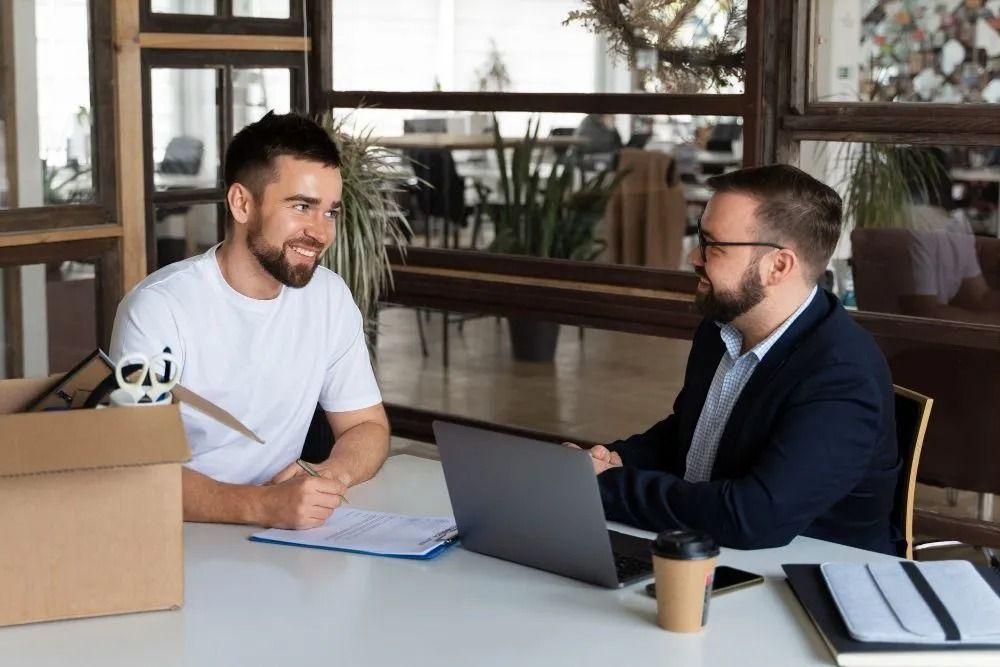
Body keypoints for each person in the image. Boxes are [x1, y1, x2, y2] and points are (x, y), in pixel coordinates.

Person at [573, 164, 900, 554]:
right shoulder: (724, 325)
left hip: (808, 582)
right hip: (723, 554)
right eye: (700, 237)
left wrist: (604, 484)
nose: (694, 256)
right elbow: (689, 433)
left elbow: (753, 518)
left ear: (778, 266)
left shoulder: (842, 375)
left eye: (714, 245)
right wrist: (617, 459)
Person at [111, 112, 389, 530]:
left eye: (330, 212)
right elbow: (135, 470)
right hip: (174, 539)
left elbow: (367, 426)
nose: (321, 232)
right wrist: (263, 506)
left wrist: (328, 478)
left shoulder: (329, 298)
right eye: (301, 207)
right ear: (242, 203)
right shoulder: (158, 310)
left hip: (281, 538)